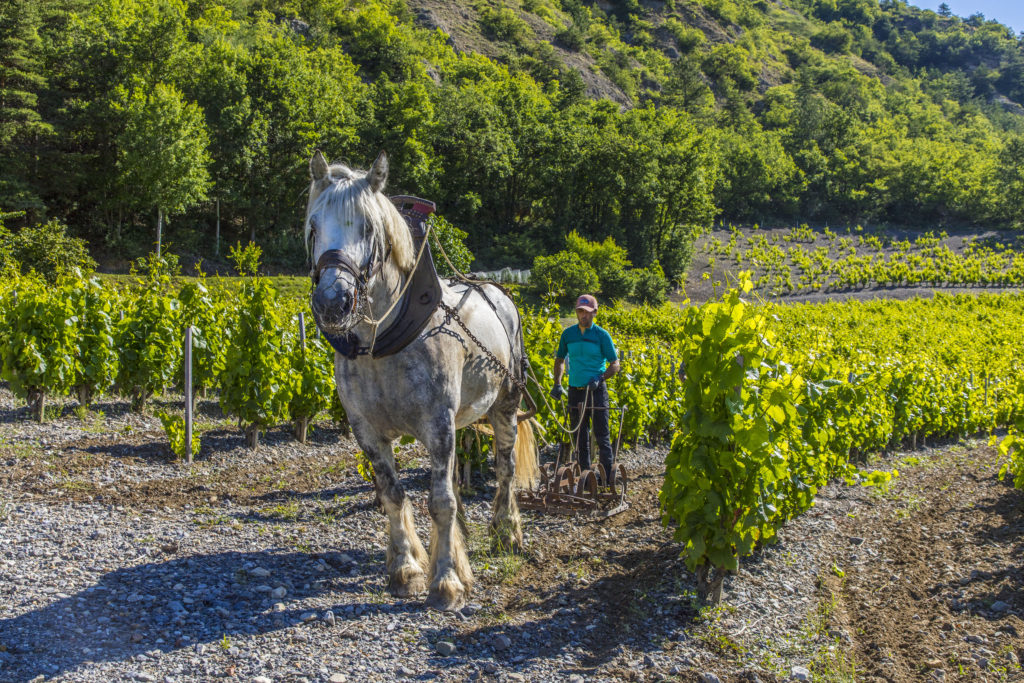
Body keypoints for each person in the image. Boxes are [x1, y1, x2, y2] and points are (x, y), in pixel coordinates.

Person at [550, 294, 620, 481]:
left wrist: (600, 377)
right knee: (579, 436)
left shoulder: (602, 335)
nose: (584, 316)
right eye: (580, 312)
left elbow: (615, 364)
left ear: (595, 313)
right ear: (576, 312)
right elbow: (560, 360)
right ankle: (586, 477)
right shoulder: (568, 334)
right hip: (575, 391)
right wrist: (557, 384)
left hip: (596, 390)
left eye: (588, 312)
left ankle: (606, 478)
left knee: (601, 434)